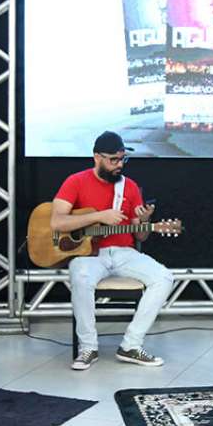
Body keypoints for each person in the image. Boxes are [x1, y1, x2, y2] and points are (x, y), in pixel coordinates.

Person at [50, 131, 173, 371]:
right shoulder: (76, 181)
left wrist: (145, 221)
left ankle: (131, 345)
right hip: (89, 255)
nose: (119, 165)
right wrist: (99, 216)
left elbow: (141, 236)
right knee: (81, 277)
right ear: (97, 157)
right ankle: (88, 347)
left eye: (122, 159)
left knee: (164, 277)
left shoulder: (130, 187)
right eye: (113, 160)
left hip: (124, 252)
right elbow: (57, 222)